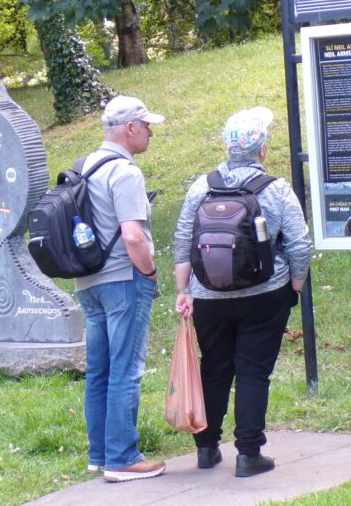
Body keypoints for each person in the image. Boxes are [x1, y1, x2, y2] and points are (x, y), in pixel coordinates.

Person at [173, 107, 311, 478]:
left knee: (214, 367)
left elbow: (184, 239)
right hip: (266, 294)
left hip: (208, 297)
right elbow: (299, 246)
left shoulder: (201, 188)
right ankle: (249, 454)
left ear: (226, 146)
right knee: (253, 372)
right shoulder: (277, 190)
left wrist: (183, 289)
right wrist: (293, 288)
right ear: (262, 148)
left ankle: (206, 449)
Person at [75, 95, 166, 483]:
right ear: (129, 128)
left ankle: (100, 454)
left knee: (100, 369)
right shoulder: (125, 173)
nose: (150, 132)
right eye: (146, 125)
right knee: (126, 370)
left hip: (87, 281)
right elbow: (132, 235)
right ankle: (122, 458)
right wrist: (148, 272)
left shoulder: (84, 167)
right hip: (122, 280)